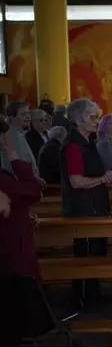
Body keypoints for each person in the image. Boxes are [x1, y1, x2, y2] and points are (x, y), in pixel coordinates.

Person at [60, 99, 112, 309]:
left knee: (97, 252)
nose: (96, 122)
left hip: (94, 206)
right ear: (77, 120)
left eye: (96, 117)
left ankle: (93, 295)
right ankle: (83, 298)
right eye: (92, 117)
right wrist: (103, 178)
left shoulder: (88, 141)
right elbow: (76, 181)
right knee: (86, 255)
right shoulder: (74, 146)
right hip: (83, 208)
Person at [0, 119, 44, 280]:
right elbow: (32, 192)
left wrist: (23, 215)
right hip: (11, 246)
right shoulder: (3, 179)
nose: (5, 140)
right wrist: (14, 158)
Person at [1, 102, 40, 177]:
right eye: (23, 114)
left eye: (28, 113)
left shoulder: (18, 134)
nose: (28, 116)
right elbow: (20, 166)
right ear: (12, 117)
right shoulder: (12, 136)